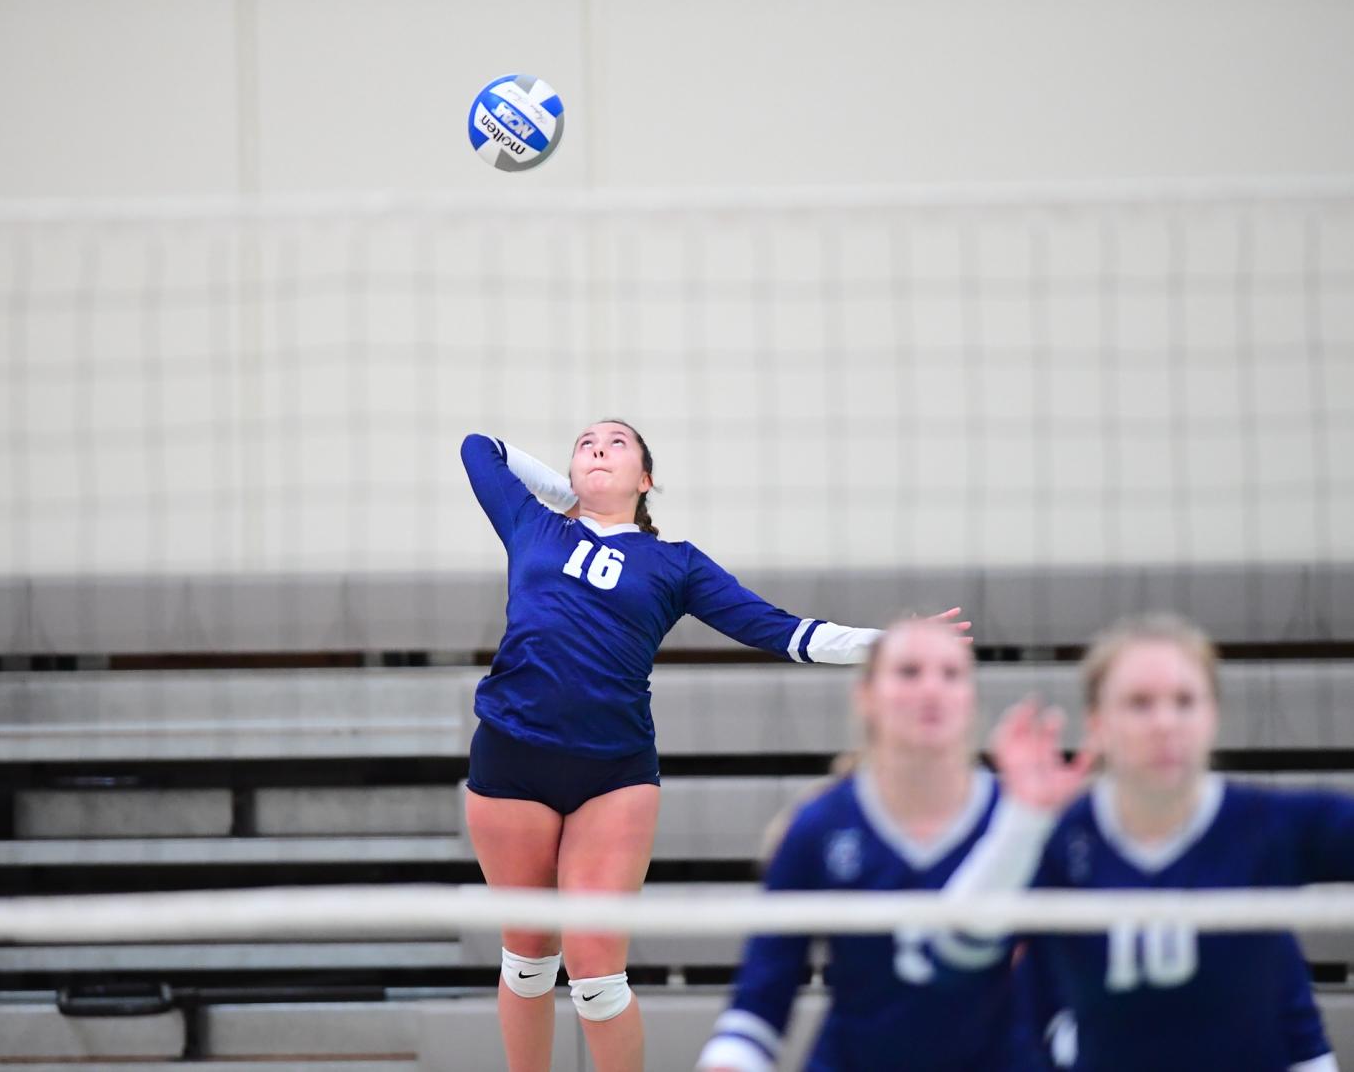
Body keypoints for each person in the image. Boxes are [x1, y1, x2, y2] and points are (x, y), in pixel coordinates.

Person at [460, 422, 970, 1072]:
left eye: (617, 445)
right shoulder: (534, 524)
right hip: (512, 754)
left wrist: (889, 644)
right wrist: (578, 499)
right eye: (586, 443)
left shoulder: (675, 563)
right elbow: (481, 448)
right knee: (529, 959)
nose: (596, 449)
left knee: (595, 973)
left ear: (646, 478)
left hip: (611, 774)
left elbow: (778, 628)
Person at [942, 612, 1351, 1071]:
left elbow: (1303, 1044)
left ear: (1213, 715)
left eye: (1184, 701)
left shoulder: (1265, 826)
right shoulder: (1062, 839)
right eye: (1139, 703)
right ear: (1097, 724)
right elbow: (958, 941)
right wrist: (1023, 820)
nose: (1165, 723)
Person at [696, 618, 1041, 1072]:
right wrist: (731, 1059)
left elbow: (1060, 991)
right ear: (866, 696)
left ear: (972, 698)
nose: (931, 690)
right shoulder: (820, 826)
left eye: (951, 674)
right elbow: (763, 996)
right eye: (909, 672)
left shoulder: (1021, 821)